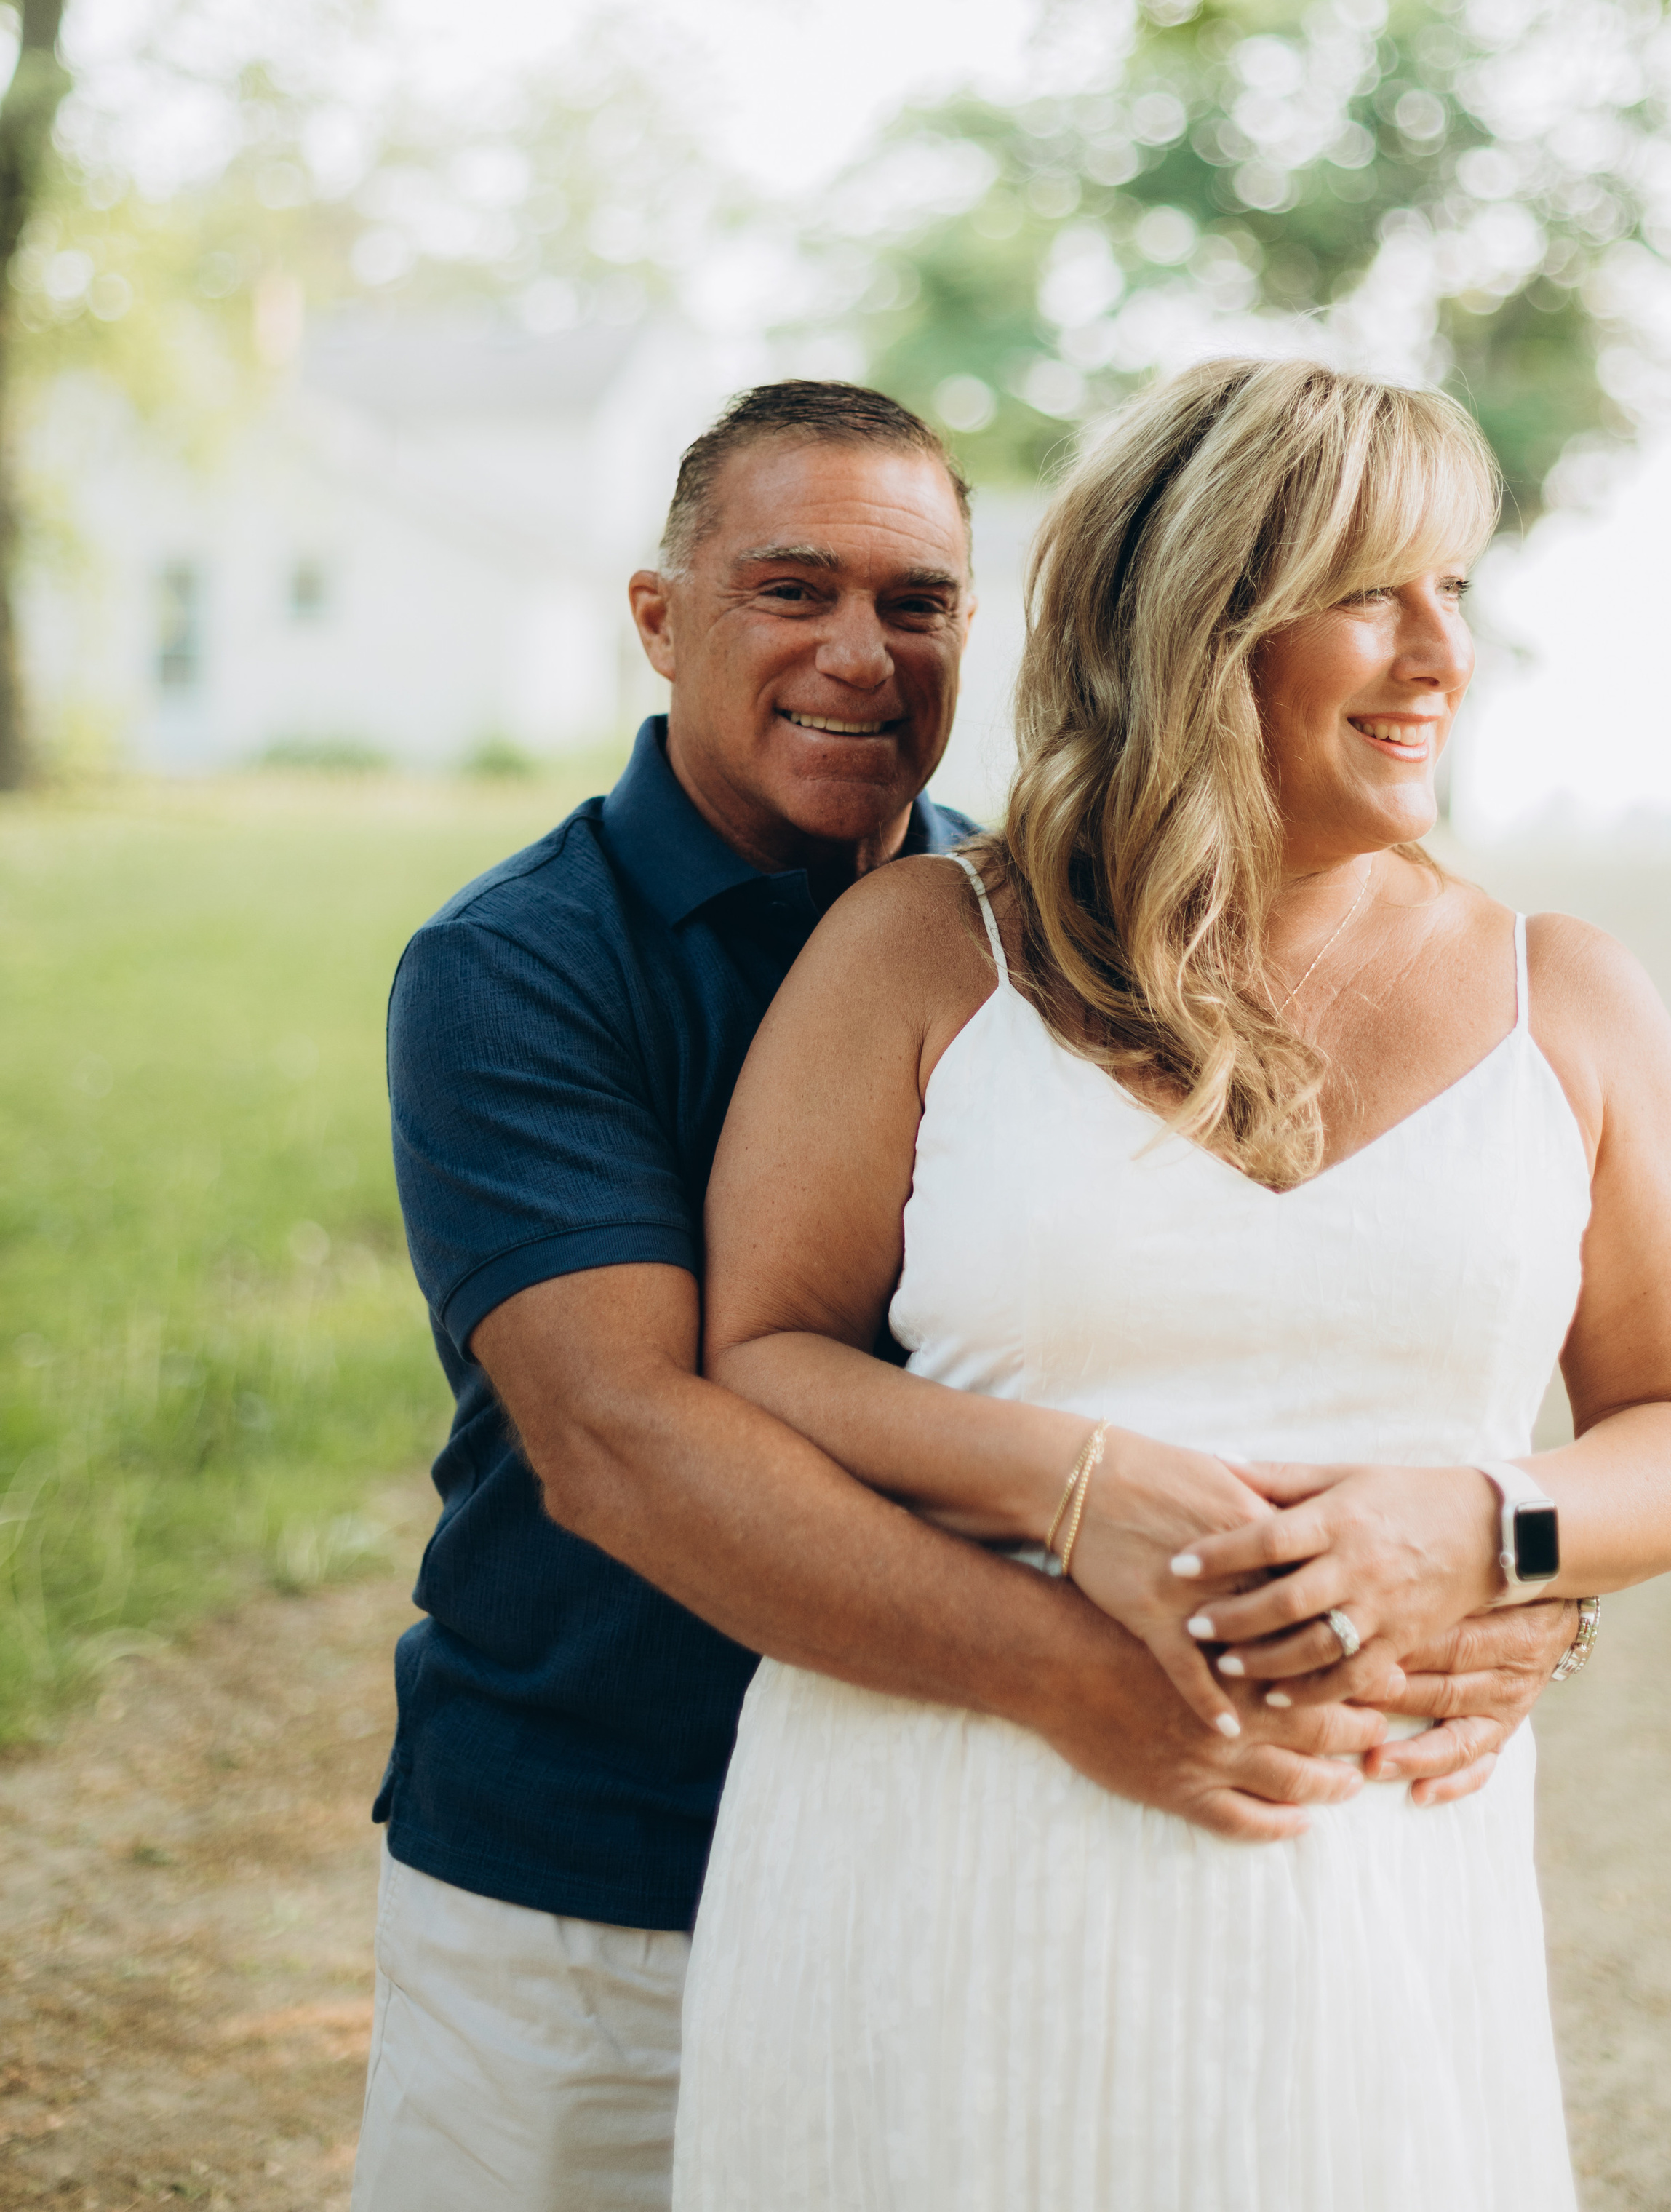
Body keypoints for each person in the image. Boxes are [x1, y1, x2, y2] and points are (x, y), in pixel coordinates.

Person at [354, 376, 1578, 2212]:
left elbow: (1297, 1326)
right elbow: (621, 1439)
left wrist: (1505, 1572)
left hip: (951, 1821)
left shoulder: (1057, 935)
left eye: (914, 603)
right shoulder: (514, 969)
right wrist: (1092, 1679)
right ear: (658, 617)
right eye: (792, 591)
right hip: (594, 1849)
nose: (860, 654)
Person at [674, 359, 1671, 2212]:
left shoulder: (1563, 996)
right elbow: (760, 1358)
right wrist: (1073, 1489)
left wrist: (1484, 1528)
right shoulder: (921, 954)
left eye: (1458, 592)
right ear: (1191, 624)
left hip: (1369, 1885)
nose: (1439, 655)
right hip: (937, 1839)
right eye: (1368, 593)